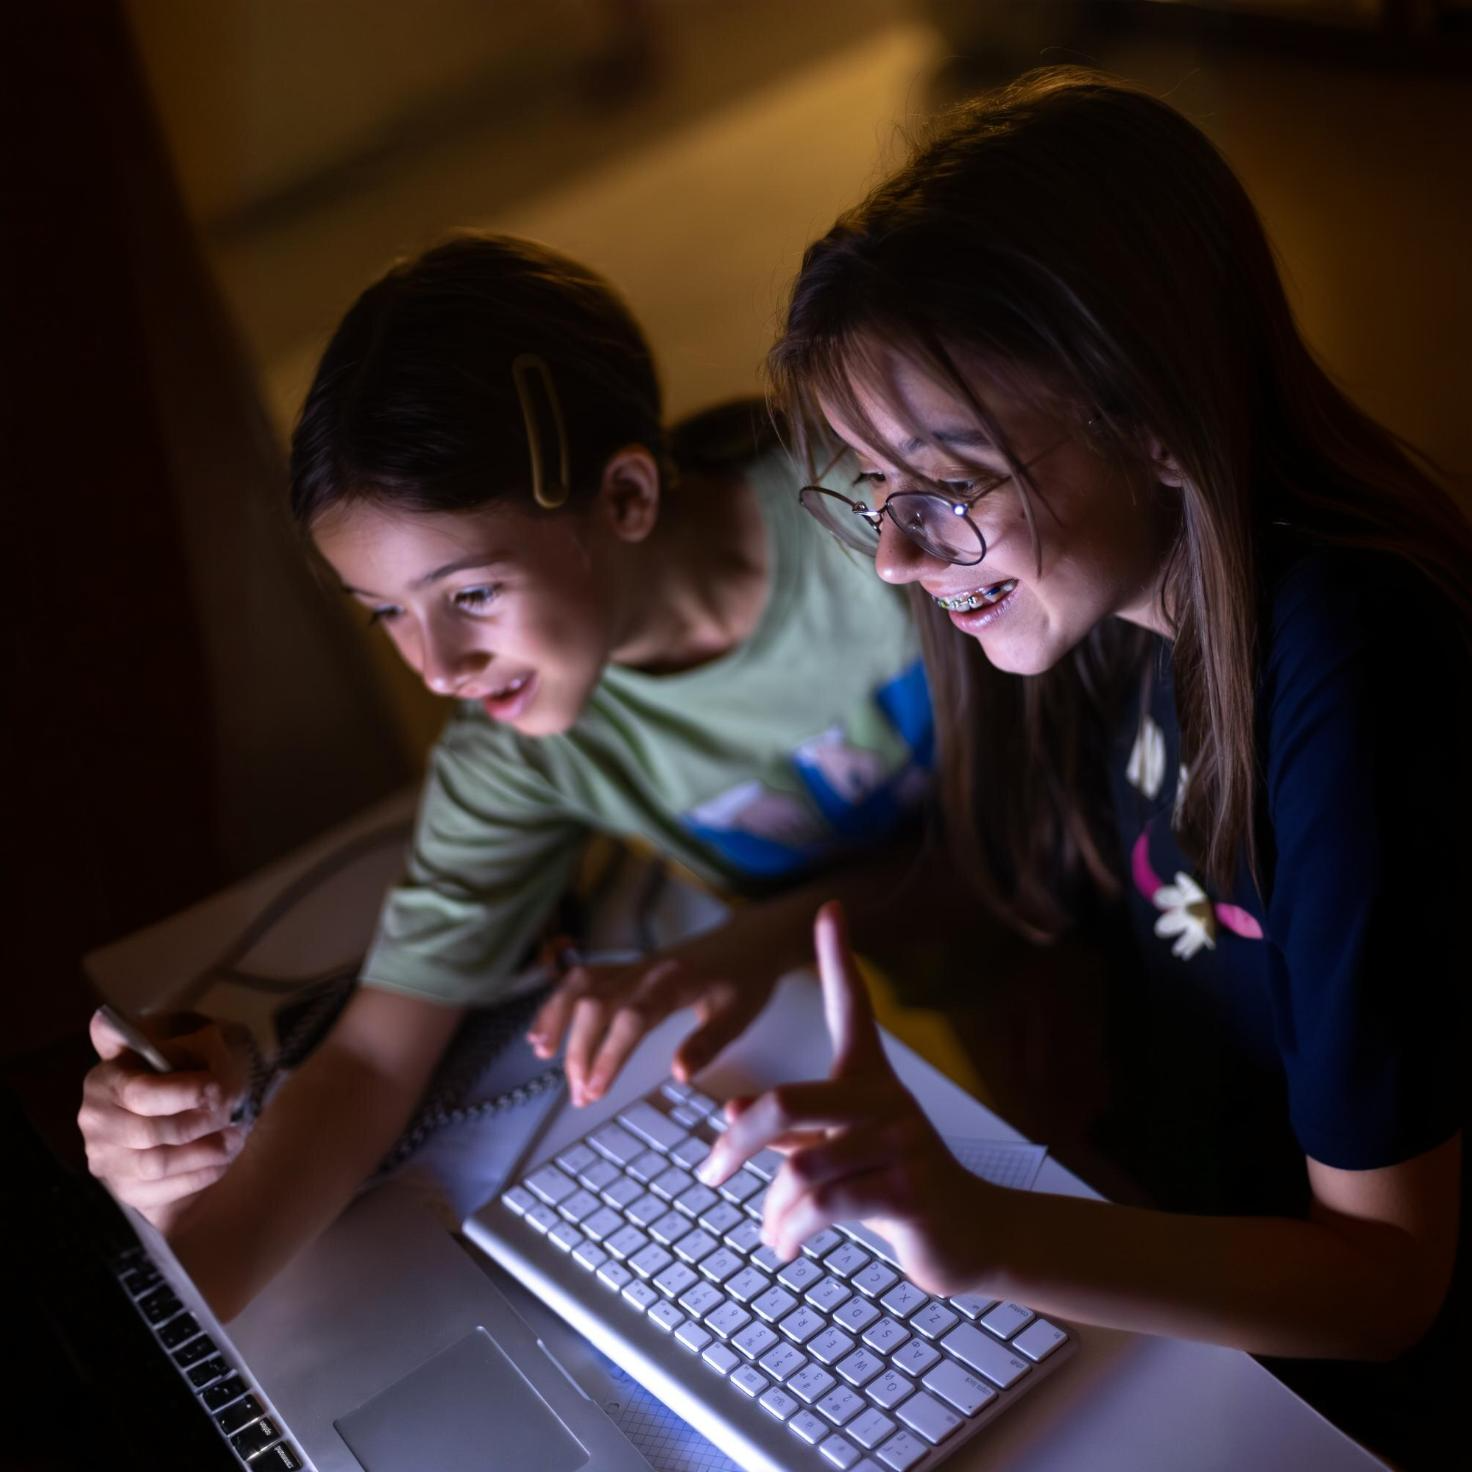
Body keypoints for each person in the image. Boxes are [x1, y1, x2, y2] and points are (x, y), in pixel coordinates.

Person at [705, 69, 1468, 1462]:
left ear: (1153, 417)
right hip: (1192, 1301)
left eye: (946, 483)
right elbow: (1062, 875)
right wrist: (756, 941)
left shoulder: (1357, 684)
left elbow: (1393, 1288)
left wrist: (985, 1239)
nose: (893, 553)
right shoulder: (1123, 603)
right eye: (875, 488)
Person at [78, 234, 937, 1318]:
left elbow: (1047, 836)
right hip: (916, 1034)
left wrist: (749, 942)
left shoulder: (876, 516)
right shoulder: (518, 746)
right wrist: (177, 1278)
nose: (435, 666)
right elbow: (370, 1068)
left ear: (625, 495)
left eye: (469, 593)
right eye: (385, 612)